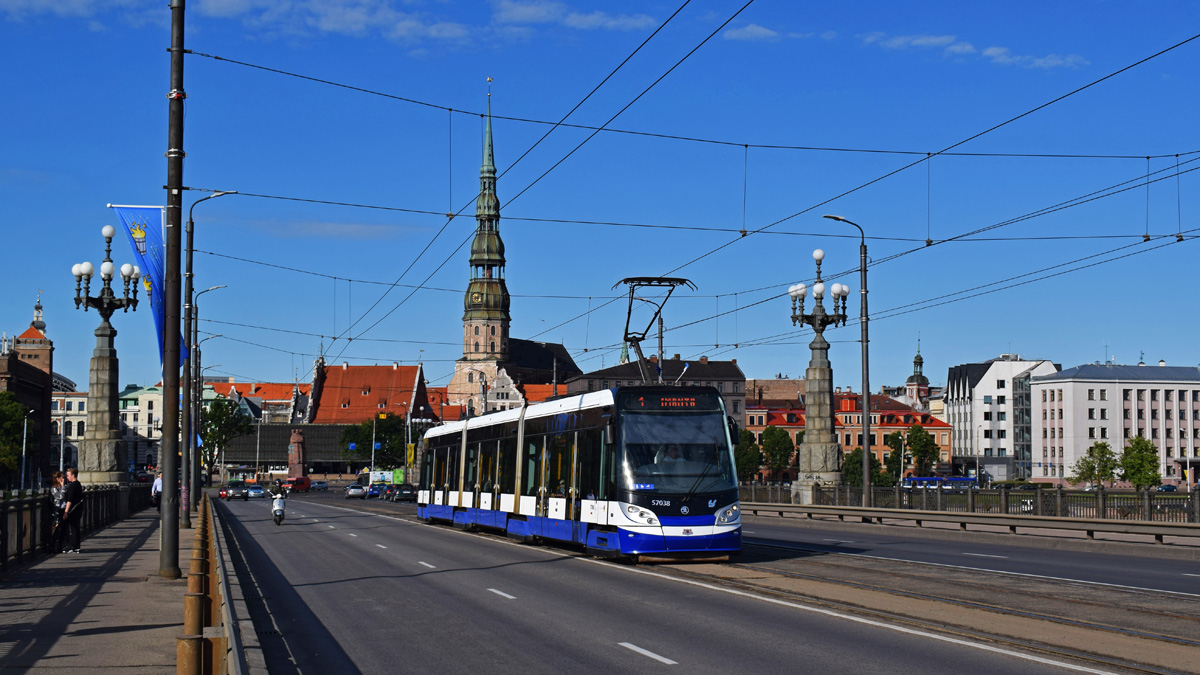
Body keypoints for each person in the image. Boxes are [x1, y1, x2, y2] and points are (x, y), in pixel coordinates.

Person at [61, 468, 84, 554]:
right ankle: (76, 546)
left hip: (73, 510)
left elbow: (69, 500)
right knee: (76, 528)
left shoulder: (73, 485)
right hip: (78, 509)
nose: (67, 477)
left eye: (68, 475)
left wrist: (66, 512)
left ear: (73, 475)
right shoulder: (78, 484)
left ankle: (72, 546)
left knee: (72, 528)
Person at [49, 471, 66, 553]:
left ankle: (60, 546)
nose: (63, 479)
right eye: (62, 477)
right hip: (57, 510)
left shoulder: (64, 487)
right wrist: (63, 487)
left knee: (63, 529)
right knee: (57, 528)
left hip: (64, 510)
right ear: (57, 478)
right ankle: (52, 546)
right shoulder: (54, 488)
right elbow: (60, 496)